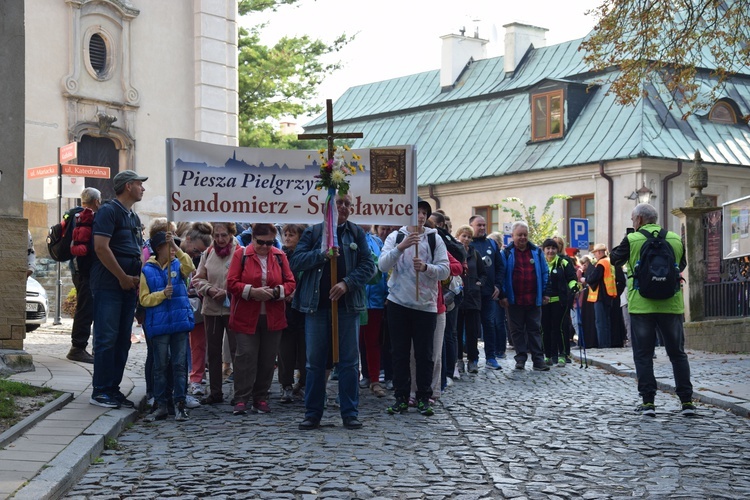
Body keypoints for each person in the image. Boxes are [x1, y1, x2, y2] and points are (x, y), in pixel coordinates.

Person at [290, 193, 376, 430]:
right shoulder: (313, 232)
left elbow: (369, 265)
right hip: (316, 307)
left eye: (348, 204)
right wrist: (322, 255)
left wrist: (346, 283)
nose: (344, 207)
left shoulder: (356, 233)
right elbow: (295, 262)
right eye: (339, 203)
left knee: (349, 362)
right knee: (315, 362)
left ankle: (349, 412)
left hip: (347, 307)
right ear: (327, 207)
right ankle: (313, 413)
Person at [609, 203, 695, 417]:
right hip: (671, 305)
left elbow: (614, 260)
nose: (632, 222)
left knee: (644, 355)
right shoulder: (675, 238)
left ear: (638, 220)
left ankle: (648, 403)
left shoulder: (632, 239)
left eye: (632, 219)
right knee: (677, 354)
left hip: (642, 306)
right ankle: (686, 402)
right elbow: (681, 264)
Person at [380, 198, 449, 417]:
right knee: (399, 353)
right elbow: (382, 265)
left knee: (424, 354)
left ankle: (423, 397)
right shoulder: (396, 236)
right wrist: (401, 248)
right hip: (398, 302)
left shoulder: (434, 239)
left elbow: (445, 270)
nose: (419, 216)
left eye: (423, 213)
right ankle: (401, 397)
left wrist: (427, 267)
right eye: (415, 212)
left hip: (426, 305)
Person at [89, 170, 147, 408]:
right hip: (108, 284)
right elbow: (101, 248)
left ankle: (113, 389)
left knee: (123, 339)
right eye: (139, 184)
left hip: (127, 285)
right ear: (127, 186)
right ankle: (100, 391)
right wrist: (122, 276)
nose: (143, 189)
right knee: (106, 338)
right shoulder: (108, 211)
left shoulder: (132, 217)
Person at [226, 223, 296, 415]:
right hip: (246, 316)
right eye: (261, 242)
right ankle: (241, 398)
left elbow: (290, 283)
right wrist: (252, 292)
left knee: (267, 359)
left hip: (273, 316)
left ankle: (261, 397)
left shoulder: (280, 256)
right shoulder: (241, 255)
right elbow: (231, 283)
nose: (265, 247)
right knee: (245, 356)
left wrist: (275, 292)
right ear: (253, 238)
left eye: (270, 243)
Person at [140, 231, 195, 422]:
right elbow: (144, 299)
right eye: (169, 246)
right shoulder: (147, 270)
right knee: (160, 366)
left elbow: (190, 266)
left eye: (174, 246)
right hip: (160, 324)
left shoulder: (178, 265)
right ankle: (161, 404)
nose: (173, 249)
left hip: (179, 322)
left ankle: (180, 404)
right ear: (158, 249)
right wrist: (162, 294)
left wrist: (177, 248)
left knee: (180, 365)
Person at [192, 222, 239, 405]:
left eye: (223, 235)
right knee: (213, 352)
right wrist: (210, 290)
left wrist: (227, 292)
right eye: (217, 235)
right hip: (211, 308)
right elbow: (198, 278)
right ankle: (215, 392)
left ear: (231, 234)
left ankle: (240, 392)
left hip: (232, 308)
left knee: (237, 351)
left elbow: (243, 278)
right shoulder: (208, 252)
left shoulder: (239, 251)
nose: (220, 239)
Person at [499, 221, 550, 371]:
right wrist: (503, 295)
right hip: (514, 300)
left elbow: (544, 273)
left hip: (534, 299)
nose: (522, 237)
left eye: (525, 235)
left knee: (534, 330)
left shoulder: (537, 252)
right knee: (517, 330)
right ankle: (520, 359)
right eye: (519, 235)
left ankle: (538, 360)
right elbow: (501, 275)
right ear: (512, 236)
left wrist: (546, 293)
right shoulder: (506, 253)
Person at [66, 187, 102, 363]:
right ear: (96, 201)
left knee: (85, 307)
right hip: (85, 270)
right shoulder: (87, 217)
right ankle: (77, 347)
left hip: (77, 268)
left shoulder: (74, 215)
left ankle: (79, 346)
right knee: (85, 308)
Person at [469, 215, 504, 369]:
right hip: (471, 295)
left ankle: (491, 357)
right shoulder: (467, 243)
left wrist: (498, 285)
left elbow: (500, 266)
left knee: (489, 324)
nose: (483, 228)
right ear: (471, 226)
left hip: (489, 293)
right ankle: (473, 359)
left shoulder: (492, 244)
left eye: (484, 225)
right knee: (473, 327)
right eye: (479, 225)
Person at [278, 223, 307, 403]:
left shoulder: (305, 255)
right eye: (285, 235)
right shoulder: (280, 256)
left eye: (291, 235)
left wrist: (297, 292)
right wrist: (285, 292)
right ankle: (286, 384)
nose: (287, 238)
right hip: (285, 308)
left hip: (303, 308)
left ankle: (303, 384)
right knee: (285, 350)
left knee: (305, 349)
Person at [358, 224, 387, 398]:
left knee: (373, 342)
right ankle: (355, 379)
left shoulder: (376, 241)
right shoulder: (348, 237)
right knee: (354, 343)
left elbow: (384, 269)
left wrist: (386, 292)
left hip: (375, 300)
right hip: (355, 298)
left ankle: (374, 379)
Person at [540, 238, 578, 367]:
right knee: (545, 329)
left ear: (557, 250)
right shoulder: (540, 262)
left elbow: (571, 278)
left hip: (559, 302)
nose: (551, 251)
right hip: (543, 303)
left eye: (553, 248)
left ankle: (562, 355)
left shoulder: (563, 263)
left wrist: (574, 286)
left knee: (559, 329)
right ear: (543, 250)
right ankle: (548, 356)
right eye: (548, 248)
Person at [455, 224, 486, 375]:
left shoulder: (475, 254)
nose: (466, 239)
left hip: (473, 297)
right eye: (464, 236)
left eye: (468, 237)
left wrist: (479, 283)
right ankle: (458, 360)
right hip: (458, 297)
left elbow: (483, 272)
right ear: (458, 236)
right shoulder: (453, 252)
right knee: (457, 330)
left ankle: (473, 360)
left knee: (473, 332)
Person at [587, 243, 626, 348]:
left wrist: (587, 279)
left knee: (600, 323)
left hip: (600, 296)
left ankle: (603, 345)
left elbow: (592, 278)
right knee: (606, 322)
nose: (595, 255)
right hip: (609, 295)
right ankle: (607, 344)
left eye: (595, 253)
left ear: (599, 252)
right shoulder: (610, 262)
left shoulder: (601, 263)